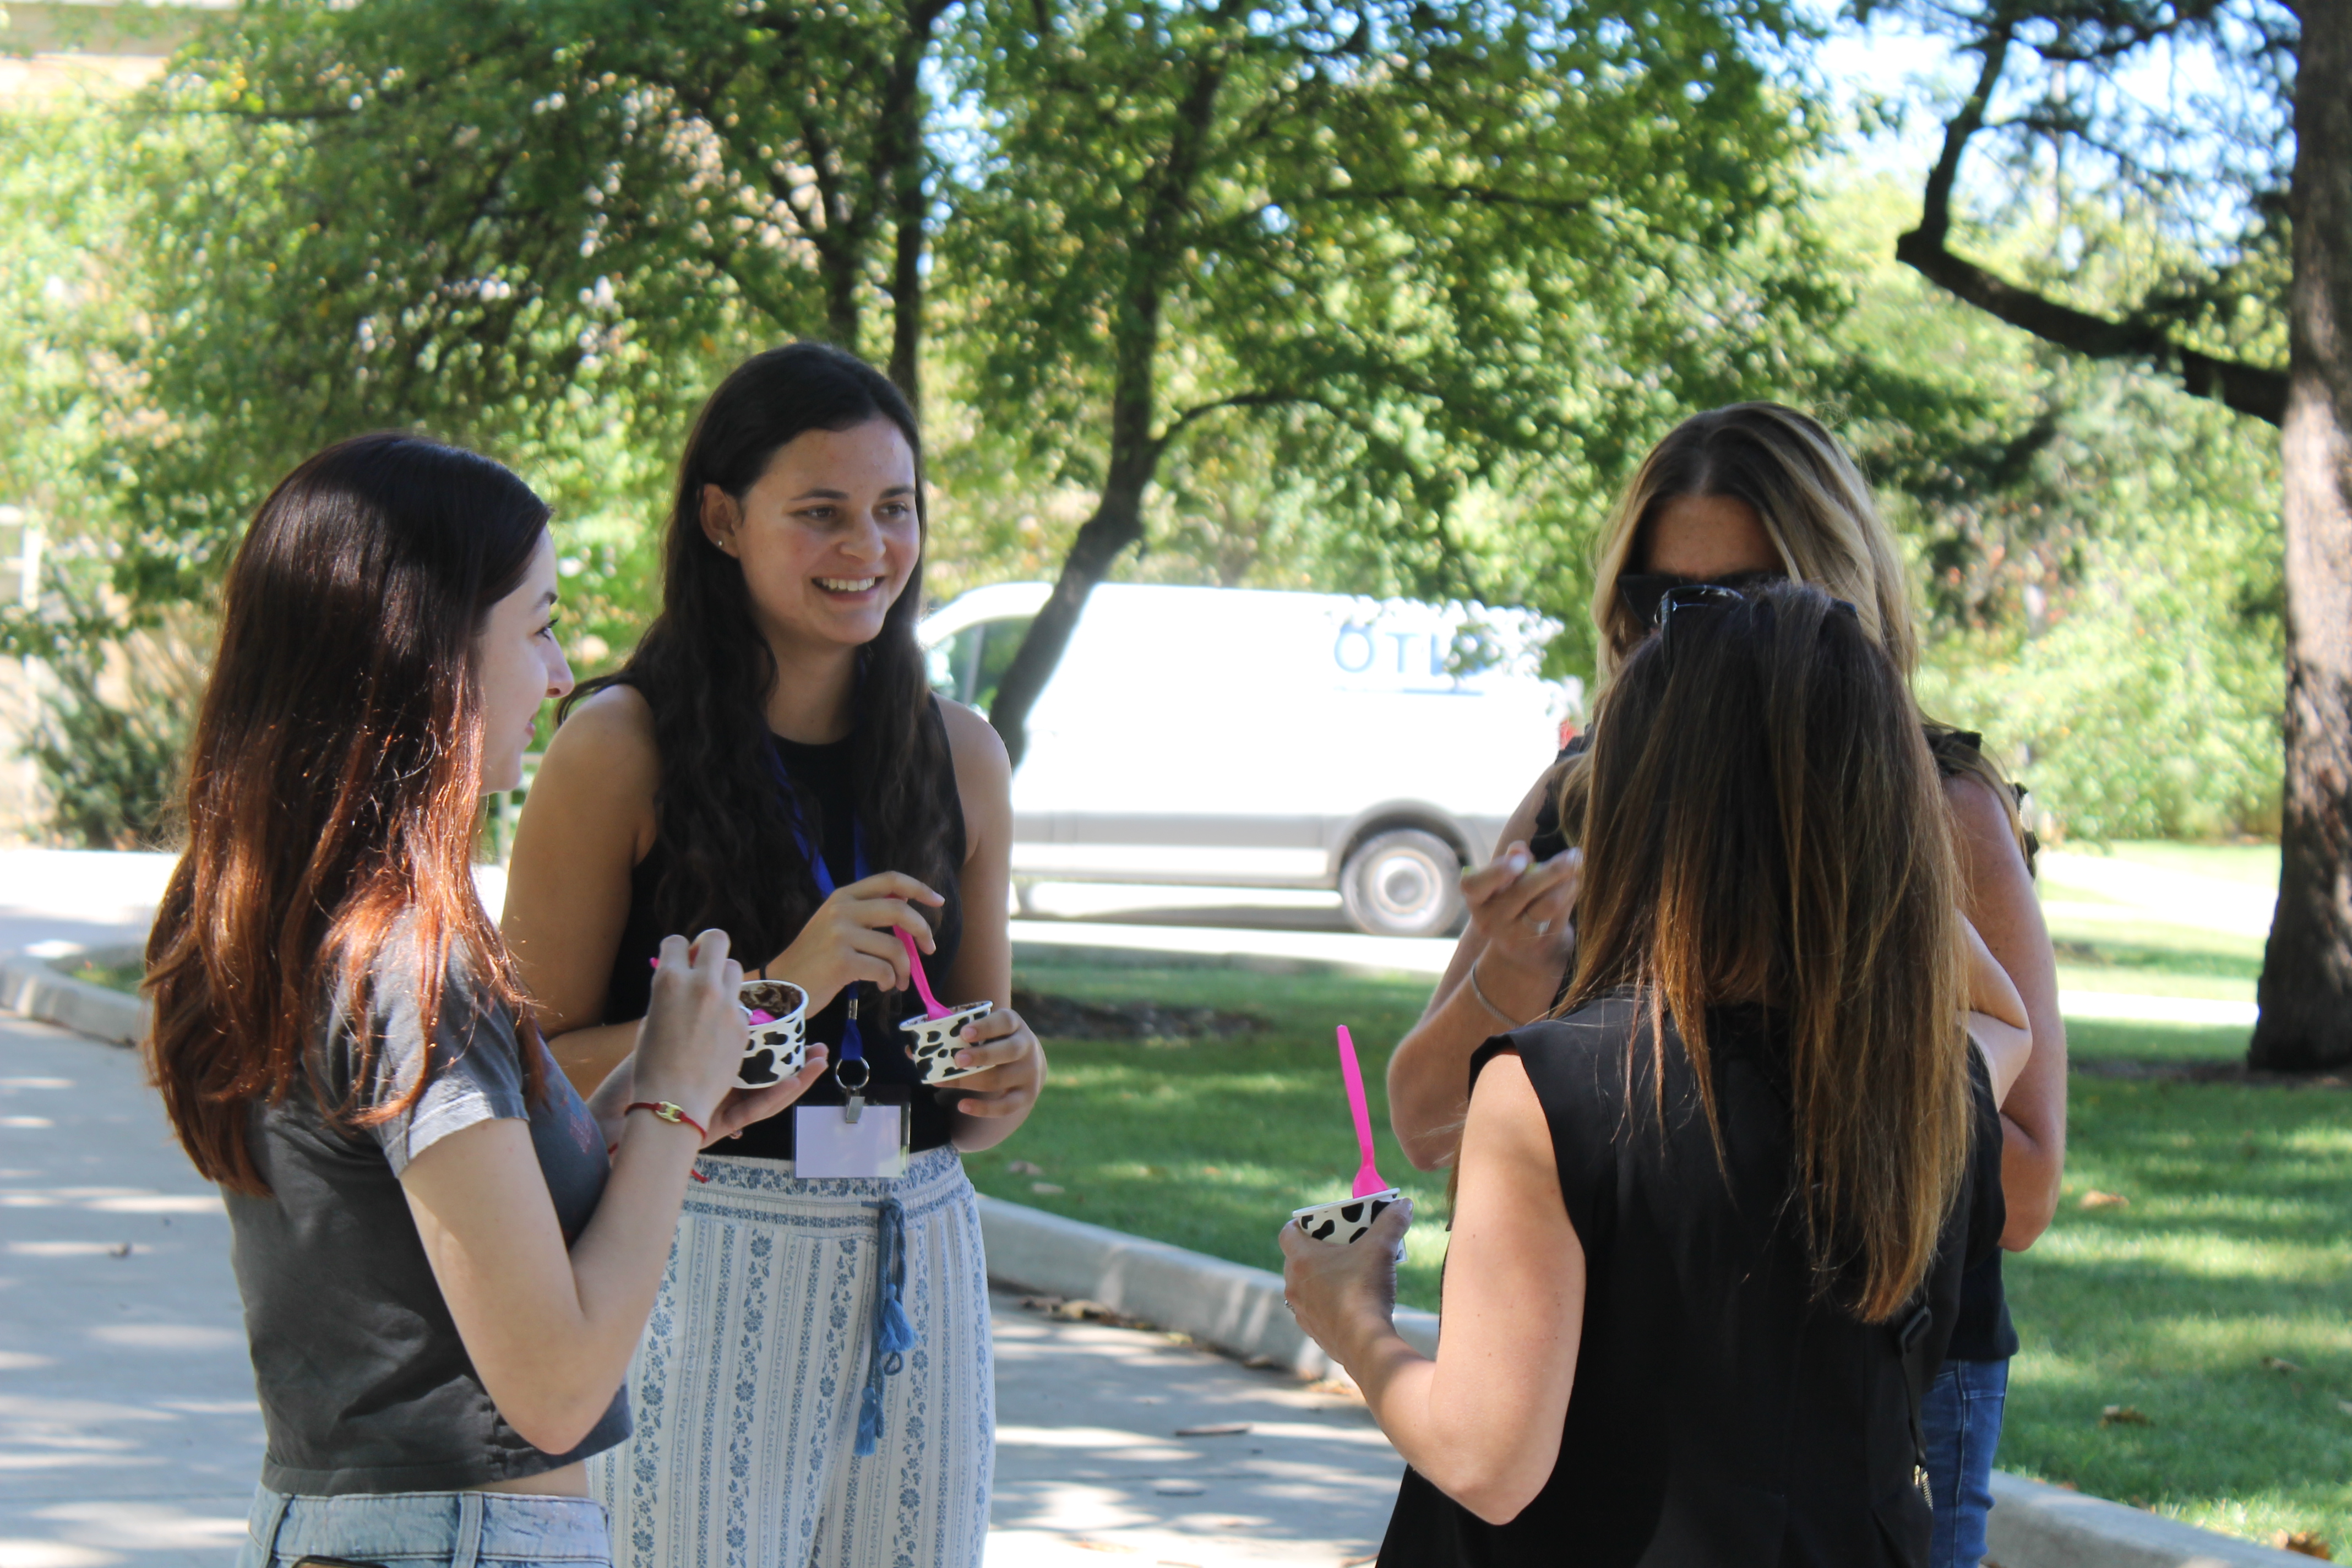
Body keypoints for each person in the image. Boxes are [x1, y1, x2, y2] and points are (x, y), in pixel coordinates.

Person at [1382, 402, 2061, 1566]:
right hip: (1620, 1345)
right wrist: (1510, 968)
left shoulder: (1937, 808)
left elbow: (2030, 1182)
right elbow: (1428, 1118)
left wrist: (1858, 874)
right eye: (1660, 600)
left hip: (1882, 1373)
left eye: (1740, 596)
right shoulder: (1576, 802)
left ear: (1830, 590)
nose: (1690, 636)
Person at [144, 433, 827, 1568]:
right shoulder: (411, 963)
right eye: (539, 623)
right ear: (428, 650)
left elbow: (431, 1221)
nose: (562, 673)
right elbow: (555, 1385)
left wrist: (679, 1097)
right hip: (461, 1532)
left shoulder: (308, 924)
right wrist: (666, 1111)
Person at [503, 342, 1043, 1568]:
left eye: (894, 509)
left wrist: (1008, 1080)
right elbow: (521, 1075)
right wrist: (776, 990)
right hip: (695, 1248)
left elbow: (970, 1082)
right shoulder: (618, 744)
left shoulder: (963, 754)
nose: (869, 546)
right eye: (821, 512)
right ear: (721, 519)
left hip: (920, 1245)